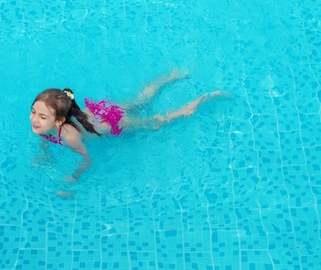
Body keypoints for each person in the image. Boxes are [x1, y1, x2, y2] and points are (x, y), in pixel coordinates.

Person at [29, 69, 228, 184]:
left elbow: (87, 159)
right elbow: (44, 138)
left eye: (42, 116)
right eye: (33, 112)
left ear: (59, 122)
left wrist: (74, 176)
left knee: (155, 123)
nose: (34, 119)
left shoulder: (69, 137)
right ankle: (172, 76)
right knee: (140, 101)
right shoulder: (46, 127)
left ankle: (189, 107)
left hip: (114, 123)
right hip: (102, 110)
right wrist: (44, 153)